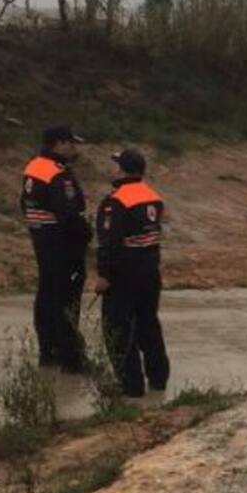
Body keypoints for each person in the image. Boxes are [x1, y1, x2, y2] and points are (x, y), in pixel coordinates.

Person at [94, 149, 170, 398]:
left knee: (117, 328)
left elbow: (109, 243)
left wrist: (103, 275)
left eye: (116, 165)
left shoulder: (115, 201)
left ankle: (130, 386)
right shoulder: (153, 197)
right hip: (149, 270)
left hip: (123, 273)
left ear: (122, 170)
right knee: (148, 323)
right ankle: (158, 379)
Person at [20, 125, 91, 372]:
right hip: (63, 245)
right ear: (58, 144)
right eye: (70, 143)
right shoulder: (56, 174)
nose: (73, 148)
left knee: (46, 296)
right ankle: (71, 360)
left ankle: (48, 352)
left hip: (42, 240)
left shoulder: (33, 168)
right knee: (67, 301)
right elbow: (69, 215)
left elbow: (25, 206)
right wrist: (85, 237)